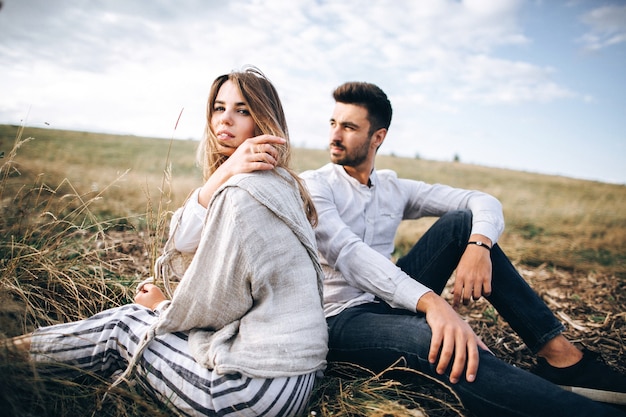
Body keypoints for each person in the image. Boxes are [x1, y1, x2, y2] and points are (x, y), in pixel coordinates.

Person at [4, 67, 328, 417]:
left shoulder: (242, 195)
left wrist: (159, 307)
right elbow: (187, 238)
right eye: (219, 108)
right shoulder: (280, 185)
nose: (225, 120)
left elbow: (219, 305)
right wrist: (224, 171)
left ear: (263, 120)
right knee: (137, 337)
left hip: (251, 394)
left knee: (122, 327)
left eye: (243, 110)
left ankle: (7, 358)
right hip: (292, 381)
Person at [299, 81, 626, 417]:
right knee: (440, 340)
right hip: (341, 319)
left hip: (386, 301)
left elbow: (481, 200)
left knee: (461, 223)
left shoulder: (393, 188)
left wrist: (478, 245)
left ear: (378, 137)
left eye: (349, 127)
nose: (335, 136)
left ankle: (562, 359)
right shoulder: (315, 184)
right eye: (333, 123)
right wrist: (432, 303)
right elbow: (349, 253)